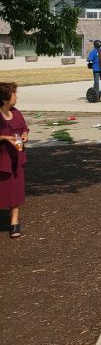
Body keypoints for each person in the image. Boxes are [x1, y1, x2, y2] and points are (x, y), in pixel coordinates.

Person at [0, 82, 28, 238]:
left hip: (17, 157)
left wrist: (25, 134)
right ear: (5, 99)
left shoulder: (16, 112)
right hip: (2, 158)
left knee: (16, 190)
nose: (16, 97)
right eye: (14, 94)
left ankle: (14, 222)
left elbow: (24, 127)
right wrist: (4, 138)